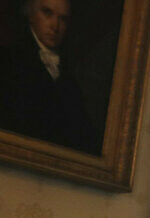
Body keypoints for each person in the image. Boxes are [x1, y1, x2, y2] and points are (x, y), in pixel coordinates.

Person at [0, 0, 97, 153]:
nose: (55, 26)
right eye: (47, 13)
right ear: (31, 15)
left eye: (62, 19)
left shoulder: (69, 79)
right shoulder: (9, 60)